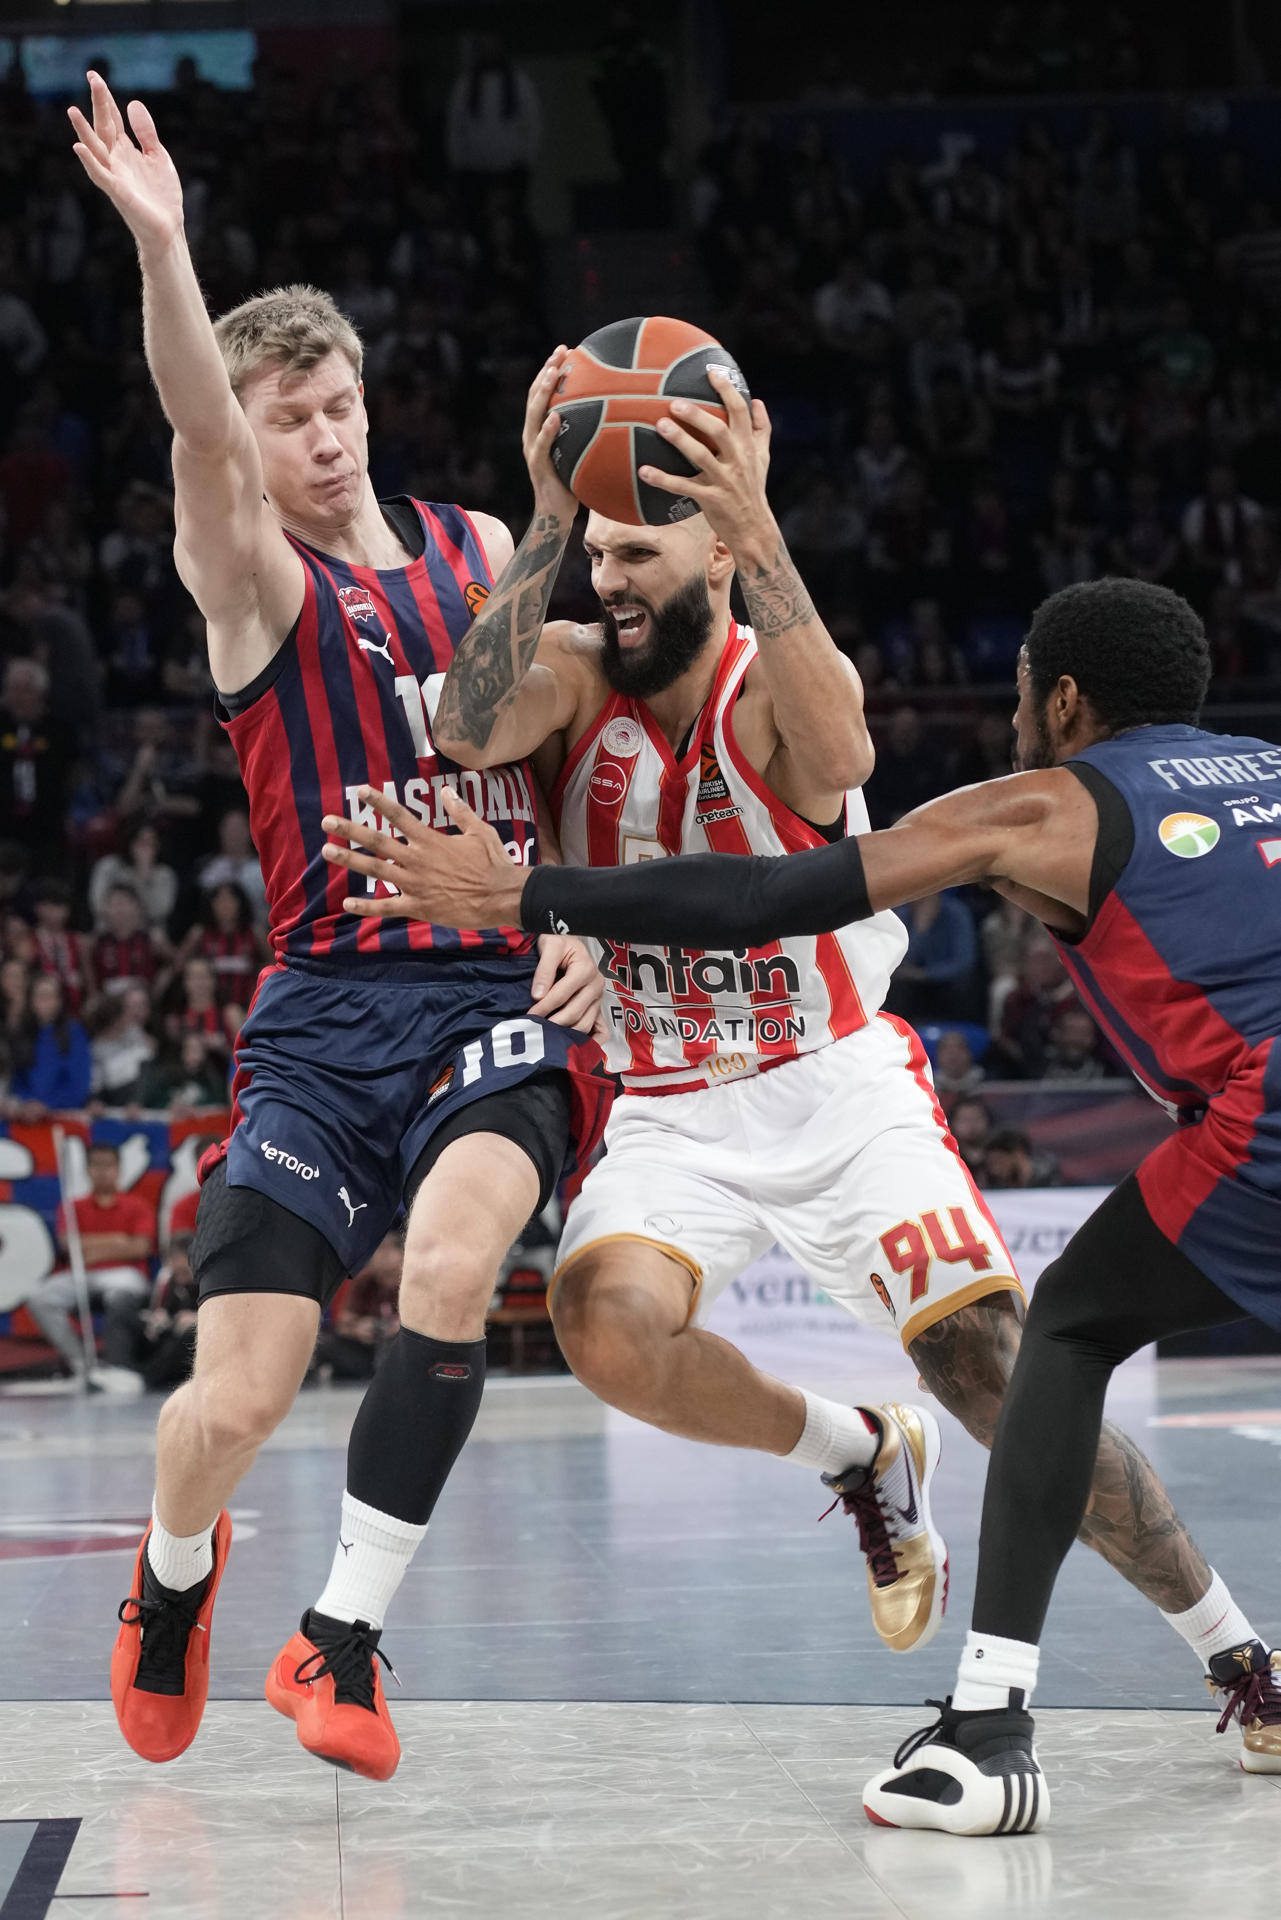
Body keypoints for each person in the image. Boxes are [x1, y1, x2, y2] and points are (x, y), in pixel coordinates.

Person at [332, 361, 1254, 1714]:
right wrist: (543, 514)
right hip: (667, 1101)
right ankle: (856, 1455)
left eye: (639, 551)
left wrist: (764, 531)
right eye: (599, 552)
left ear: (716, 553)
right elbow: (468, 726)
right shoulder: (572, 669)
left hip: (835, 1081)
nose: (613, 579)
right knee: (603, 1327)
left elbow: (833, 765)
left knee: (995, 1370)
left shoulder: (777, 677)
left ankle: (1235, 1653)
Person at [70, 71, 610, 1784]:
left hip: (495, 995)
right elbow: (196, 438)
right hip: (323, 1016)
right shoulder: (260, 583)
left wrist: (585, 910)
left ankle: (343, 1640)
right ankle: (174, 1577)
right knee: (234, 1398)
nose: (324, 433)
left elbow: (574, 754)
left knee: (453, 1268)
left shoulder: (483, 551)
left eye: (337, 401)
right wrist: (166, 248)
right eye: (287, 414)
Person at [25, 1139, 155, 1385]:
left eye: (108, 1165)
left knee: (122, 1298)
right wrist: (119, 1242)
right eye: (96, 1165)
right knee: (39, 1298)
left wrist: (92, 1248)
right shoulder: (72, 1207)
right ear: (87, 1170)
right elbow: (69, 1246)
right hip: (82, 1274)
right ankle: (82, 1363)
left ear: (118, 1169)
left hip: (125, 1274)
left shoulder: (138, 1205)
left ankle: (119, 1366)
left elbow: (141, 1247)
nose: (102, 1171)